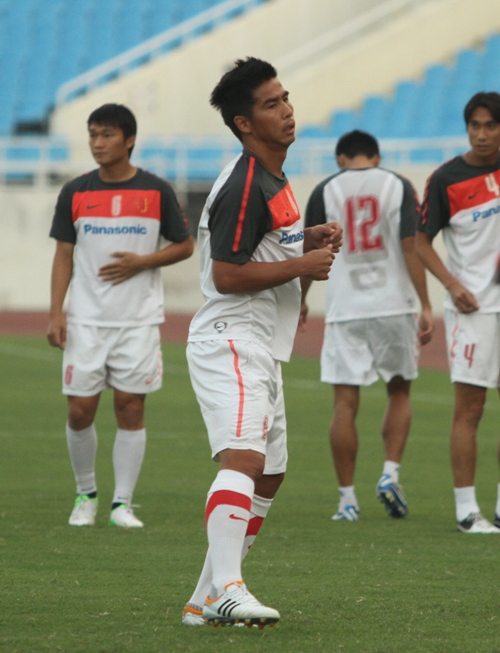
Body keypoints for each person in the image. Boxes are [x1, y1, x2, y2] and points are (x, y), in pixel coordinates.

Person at [181, 57, 342, 628]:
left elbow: (263, 245)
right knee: (245, 459)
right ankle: (229, 589)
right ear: (244, 124)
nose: (288, 110)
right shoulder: (247, 182)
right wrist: (302, 263)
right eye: (272, 104)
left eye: (286, 97)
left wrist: (305, 240)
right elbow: (226, 275)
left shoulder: (273, 177)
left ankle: (204, 599)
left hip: (260, 343)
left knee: (269, 472)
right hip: (232, 335)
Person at [47, 103, 194, 528]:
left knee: (130, 409)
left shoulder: (157, 190)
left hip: (138, 320)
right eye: (93, 134)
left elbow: (184, 245)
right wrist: (56, 312)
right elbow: (63, 254)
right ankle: (85, 495)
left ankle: (122, 505)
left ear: (129, 140)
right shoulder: (75, 191)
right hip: (87, 320)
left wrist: (142, 262)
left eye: (107, 135)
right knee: (80, 411)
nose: (98, 143)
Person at [302, 130, 433, 522]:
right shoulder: (398, 184)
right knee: (399, 390)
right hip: (394, 304)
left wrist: (301, 298)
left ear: (340, 159)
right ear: (376, 157)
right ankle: (390, 472)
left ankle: (347, 501)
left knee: (344, 403)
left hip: (346, 306)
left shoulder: (324, 189)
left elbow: (309, 251)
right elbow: (410, 247)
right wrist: (426, 303)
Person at [416, 91, 500, 534]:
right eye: (475, 126)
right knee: (471, 408)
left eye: (491, 126)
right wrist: (452, 285)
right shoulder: (446, 178)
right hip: (474, 309)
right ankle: (467, 511)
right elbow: (420, 242)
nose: (482, 134)